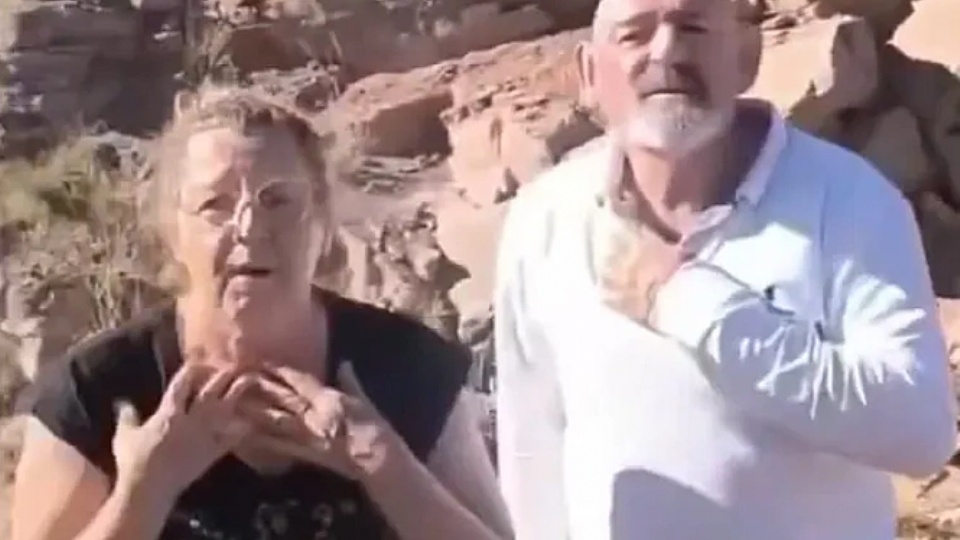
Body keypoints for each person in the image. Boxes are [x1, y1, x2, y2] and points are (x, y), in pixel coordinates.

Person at [494, 0, 958, 538]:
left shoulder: (849, 199)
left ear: (746, 56)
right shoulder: (546, 217)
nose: (666, 52)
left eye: (692, 27)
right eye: (634, 35)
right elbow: (533, 453)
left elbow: (920, 432)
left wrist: (698, 308)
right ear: (589, 72)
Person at [12, 86, 512, 540]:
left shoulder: (408, 371)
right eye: (215, 204)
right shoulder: (95, 394)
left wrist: (387, 468)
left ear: (322, 223)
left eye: (277, 200)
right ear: (172, 230)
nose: (249, 226)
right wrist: (145, 491)